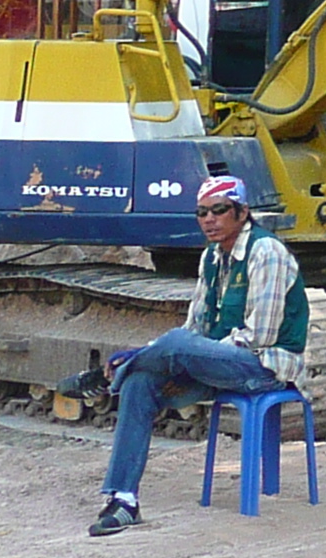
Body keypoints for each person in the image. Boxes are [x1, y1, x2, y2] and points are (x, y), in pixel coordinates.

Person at [89, 176, 311, 536]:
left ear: (242, 212)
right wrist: (177, 353)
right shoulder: (211, 257)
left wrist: (187, 352)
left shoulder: (265, 251)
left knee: (176, 345)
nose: (209, 219)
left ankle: (107, 377)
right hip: (219, 364)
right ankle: (123, 499)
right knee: (141, 383)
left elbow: (261, 336)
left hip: (264, 366)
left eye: (219, 210)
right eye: (202, 212)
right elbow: (196, 327)